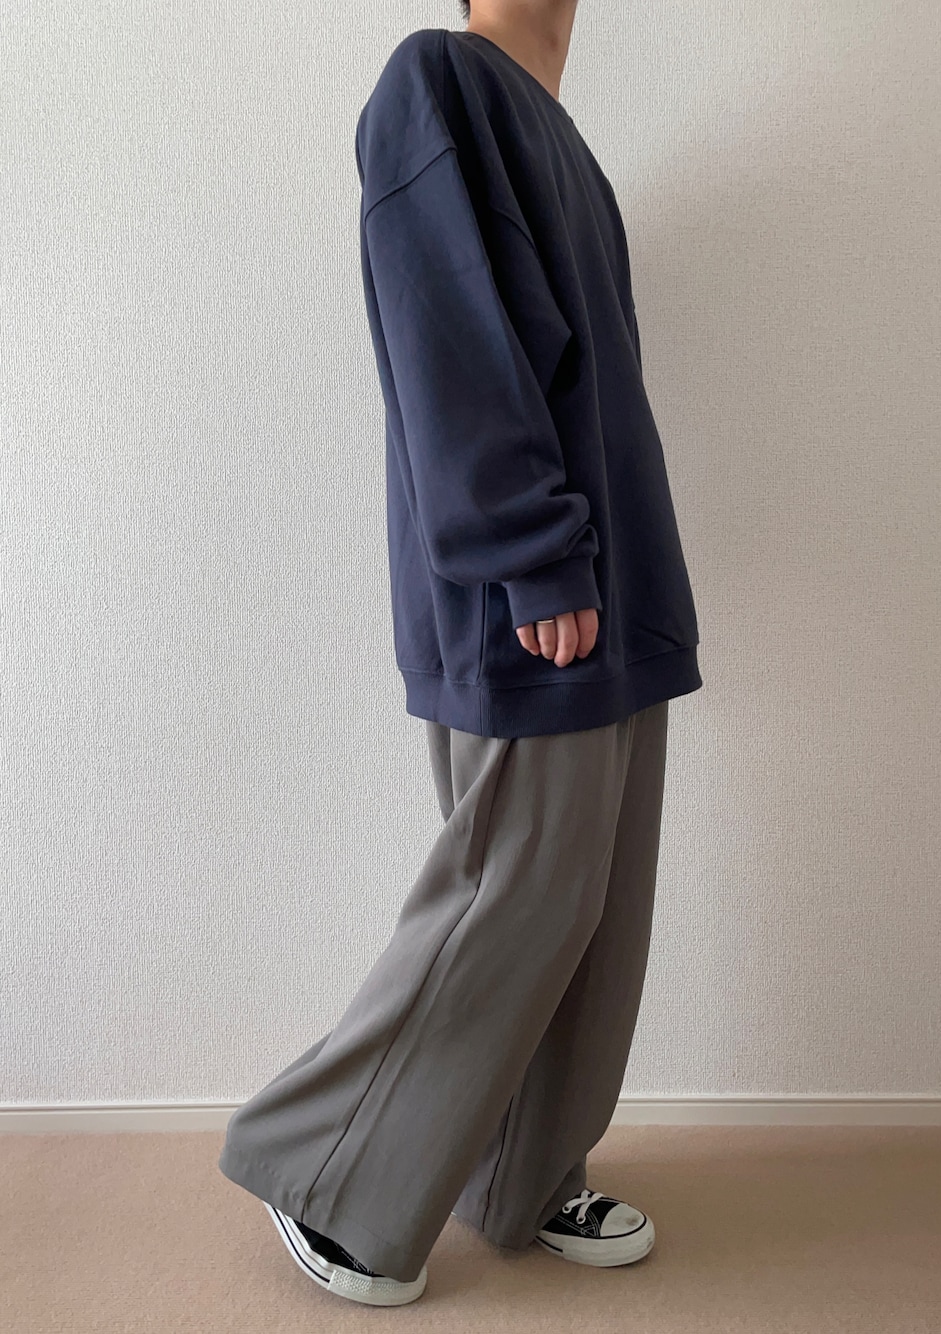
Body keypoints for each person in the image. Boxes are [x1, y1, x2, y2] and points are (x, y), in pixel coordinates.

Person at [218, 0, 702, 1308]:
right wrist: (529, 551)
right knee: (515, 889)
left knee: (591, 904)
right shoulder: (437, 82)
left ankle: (527, 1176)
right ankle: (325, 1169)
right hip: (532, 586)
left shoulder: (566, 140)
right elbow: (450, 342)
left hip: (615, 584)